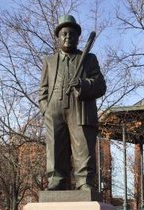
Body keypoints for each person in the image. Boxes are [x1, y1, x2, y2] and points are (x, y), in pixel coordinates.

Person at [39, 15, 106, 191]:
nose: (68, 37)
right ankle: (57, 179)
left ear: (78, 38)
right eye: (64, 34)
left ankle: (84, 181)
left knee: (83, 145)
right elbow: (43, 89)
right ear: (58, 37)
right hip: (55, 107)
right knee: (55, 147)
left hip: (80, 106)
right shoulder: (49, 61)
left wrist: (83, 84)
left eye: (72, 34)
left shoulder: (89, 59)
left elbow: (100, 85)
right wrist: (45, 109)